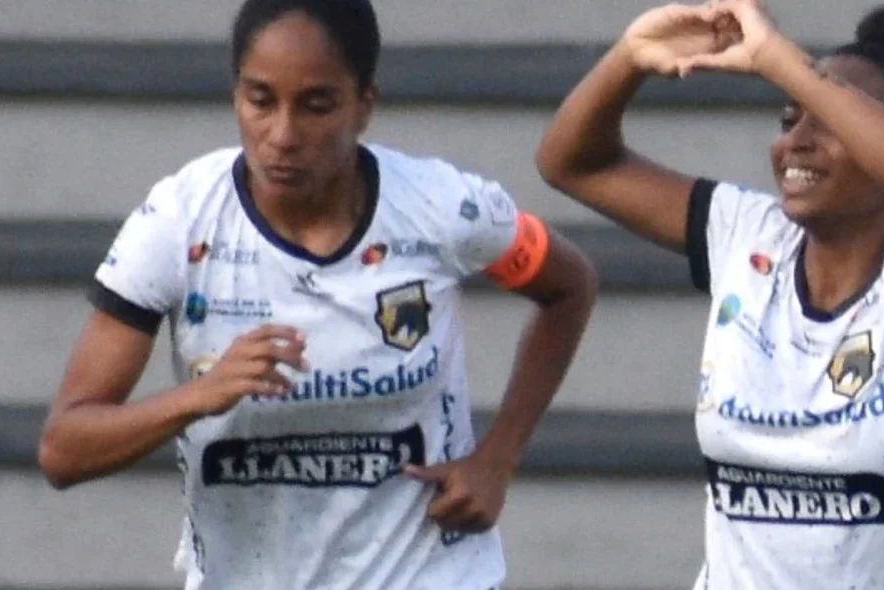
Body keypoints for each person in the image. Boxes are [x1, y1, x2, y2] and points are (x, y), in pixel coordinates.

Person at [37, 0, 598, 588]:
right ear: (235, 95)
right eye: (260, 100)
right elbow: (63, 449)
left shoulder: (443, 207)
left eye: (316, 105)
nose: (282, 135)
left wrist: (499, 457)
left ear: (364, 105)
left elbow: (569, 285)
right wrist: (200, 396)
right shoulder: (179, 222)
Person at [536, 0, 884, 588]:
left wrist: (775, 57)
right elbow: (571, 162)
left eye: (831, 120)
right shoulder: (747, 235)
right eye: (789, 117)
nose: (796, 141)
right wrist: (630, 56)